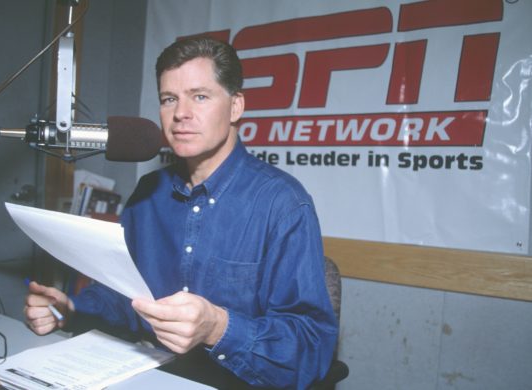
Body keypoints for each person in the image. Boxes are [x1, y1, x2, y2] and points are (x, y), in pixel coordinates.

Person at [25, 37, 338, 389]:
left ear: (236, 107)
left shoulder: (282, 203)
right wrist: (70, 308)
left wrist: (218, 327)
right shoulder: (149, 194)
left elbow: (311, 350)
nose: (180, 114)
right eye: (169, 99)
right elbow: (125, 297)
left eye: (199, 96)